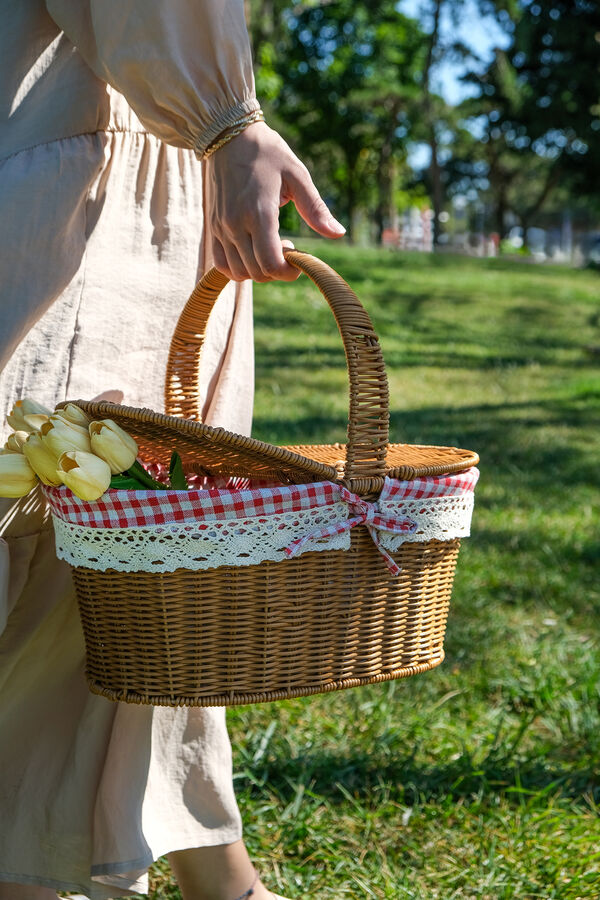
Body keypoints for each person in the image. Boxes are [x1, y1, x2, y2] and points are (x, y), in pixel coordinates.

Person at [0, 2, 345, 899]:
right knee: (67, 504)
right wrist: (227, 120)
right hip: (86, 135)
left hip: (127, 133)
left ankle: (193, 855)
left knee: (149, 538)